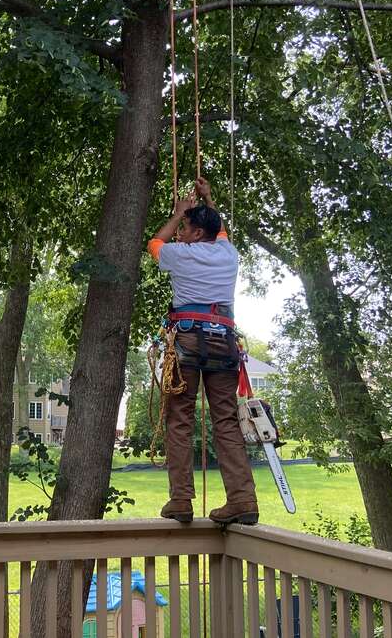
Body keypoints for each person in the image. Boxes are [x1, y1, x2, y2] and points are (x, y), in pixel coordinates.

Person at [147, 177, 259, 526]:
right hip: (223, 341)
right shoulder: (228, 253)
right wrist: (208, 199)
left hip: (188, 342)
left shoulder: (181, 254)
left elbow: (154, 244)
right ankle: (242, 499)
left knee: (180, 418)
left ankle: (181, 499)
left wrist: (178, 211)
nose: (180, 232)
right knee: (225, 419)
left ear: (196, 234)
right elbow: (219, 229)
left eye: (185, 227)